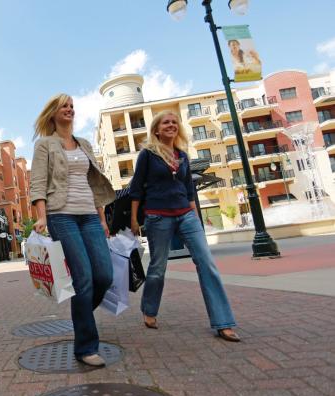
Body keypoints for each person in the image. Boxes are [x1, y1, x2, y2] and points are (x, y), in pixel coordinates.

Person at [129, 111, 240, 342]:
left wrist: (195, 217)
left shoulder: (182, 156)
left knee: (206, 263)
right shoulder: (148, 155)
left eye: (174, 122)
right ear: (156, 130)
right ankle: (149, 309)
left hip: (185, 214)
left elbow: (189, 190)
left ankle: (223, 322)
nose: (171, 125)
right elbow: (137, 188)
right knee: (158, 267)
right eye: (165, 122)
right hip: (158, 216)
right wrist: (134, 219)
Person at [30, 93, 116, 366]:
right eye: (63, 106)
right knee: (84, 278)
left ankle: (81, 315)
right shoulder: (45, 144)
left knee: (104, 275)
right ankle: (86, 347)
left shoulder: (85, 144)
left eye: (71, 106)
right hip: (61, 216)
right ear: (53, 113)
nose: (69, 109)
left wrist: (102, 219)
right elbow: (38, 183)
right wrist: (41, 216)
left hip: (90, 215)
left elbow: (96, 184)